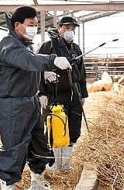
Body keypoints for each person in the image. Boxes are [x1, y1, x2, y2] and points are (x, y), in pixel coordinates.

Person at [0, 6, 71, 190]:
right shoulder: (9, 44)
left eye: (36, 24)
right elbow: (25, 60)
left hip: (30, 100)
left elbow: (26, 66)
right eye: (31, 24)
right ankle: (7, 185)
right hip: (11, 104)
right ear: (17, 25)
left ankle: (37, 181)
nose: (34, 28)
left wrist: (43, 74)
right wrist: (51, 61)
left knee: (37, 142)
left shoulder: (25, 44)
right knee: (14, 146)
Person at [37, 16, 88, 171]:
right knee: (54, 125)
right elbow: (37, 69)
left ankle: (65, 163)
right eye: (67, 28)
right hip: (54, 93)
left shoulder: (76, 49)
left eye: (73, 29)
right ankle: (52, 163)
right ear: (59, 28)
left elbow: (82, 72)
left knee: (73, 127)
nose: (70, 31)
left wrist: (83, 94)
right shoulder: (47, 47)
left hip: (74, 93)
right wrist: (41, 92)